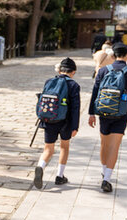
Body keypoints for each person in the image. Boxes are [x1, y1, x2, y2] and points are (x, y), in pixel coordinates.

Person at [88, 42, 127, 193]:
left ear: (113, 55)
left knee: (104, 144)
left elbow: (95, 92)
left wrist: (91, 113)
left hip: (103, 112)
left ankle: (104, 171)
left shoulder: (103, 70)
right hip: (122, 113)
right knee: (114, 146)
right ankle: (107, 179)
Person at [34, 58, 80, 189]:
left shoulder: (49, 81)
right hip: (65, 121)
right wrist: (75, 126)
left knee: (48, 148)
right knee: (64, 147)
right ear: (73, 72)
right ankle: (60, 176)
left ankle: (40, 166)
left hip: (49, 120)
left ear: (60, 70)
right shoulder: (73, 85)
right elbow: (75, 108)